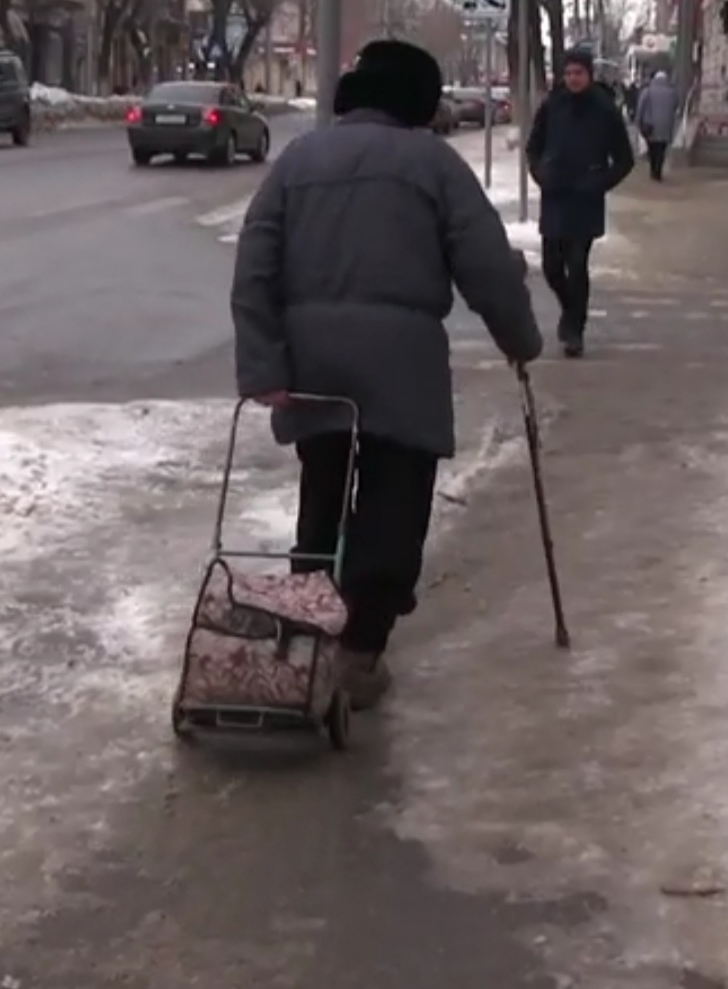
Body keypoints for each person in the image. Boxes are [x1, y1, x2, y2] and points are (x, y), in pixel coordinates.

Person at [231, 38, 543, 711]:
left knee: (321, 496)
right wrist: (519, 339)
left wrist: (263, 365)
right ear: (418, 102)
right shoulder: (433, 164)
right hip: (401, 365)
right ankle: (360, 651)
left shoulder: (298, 161)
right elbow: (486, 264)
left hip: (312, 364)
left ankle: (308, 629)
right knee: (394, 506)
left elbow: (253, 266)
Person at [525, 47, 634, 358]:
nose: (573, 79)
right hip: (555, 195)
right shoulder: (552, 106)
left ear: (589, 74)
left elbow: (625, 160)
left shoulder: (604, 109)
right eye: (568, 73)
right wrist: (539, 172)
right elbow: (533, 147)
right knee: (551, 267)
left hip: (585, 200)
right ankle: (571, 310)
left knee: (576, 264)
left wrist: (600, 182)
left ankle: (575, 331)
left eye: (579, 73)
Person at [636, 70, 678, 182]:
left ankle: (653, 170)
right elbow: (675, 106)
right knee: (661, 149)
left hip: (650, 125)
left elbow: (641, 108)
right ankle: (658, 171)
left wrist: (638, 122)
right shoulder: (672, 92)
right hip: (666, 125)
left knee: (652, 148)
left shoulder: (647, 91)